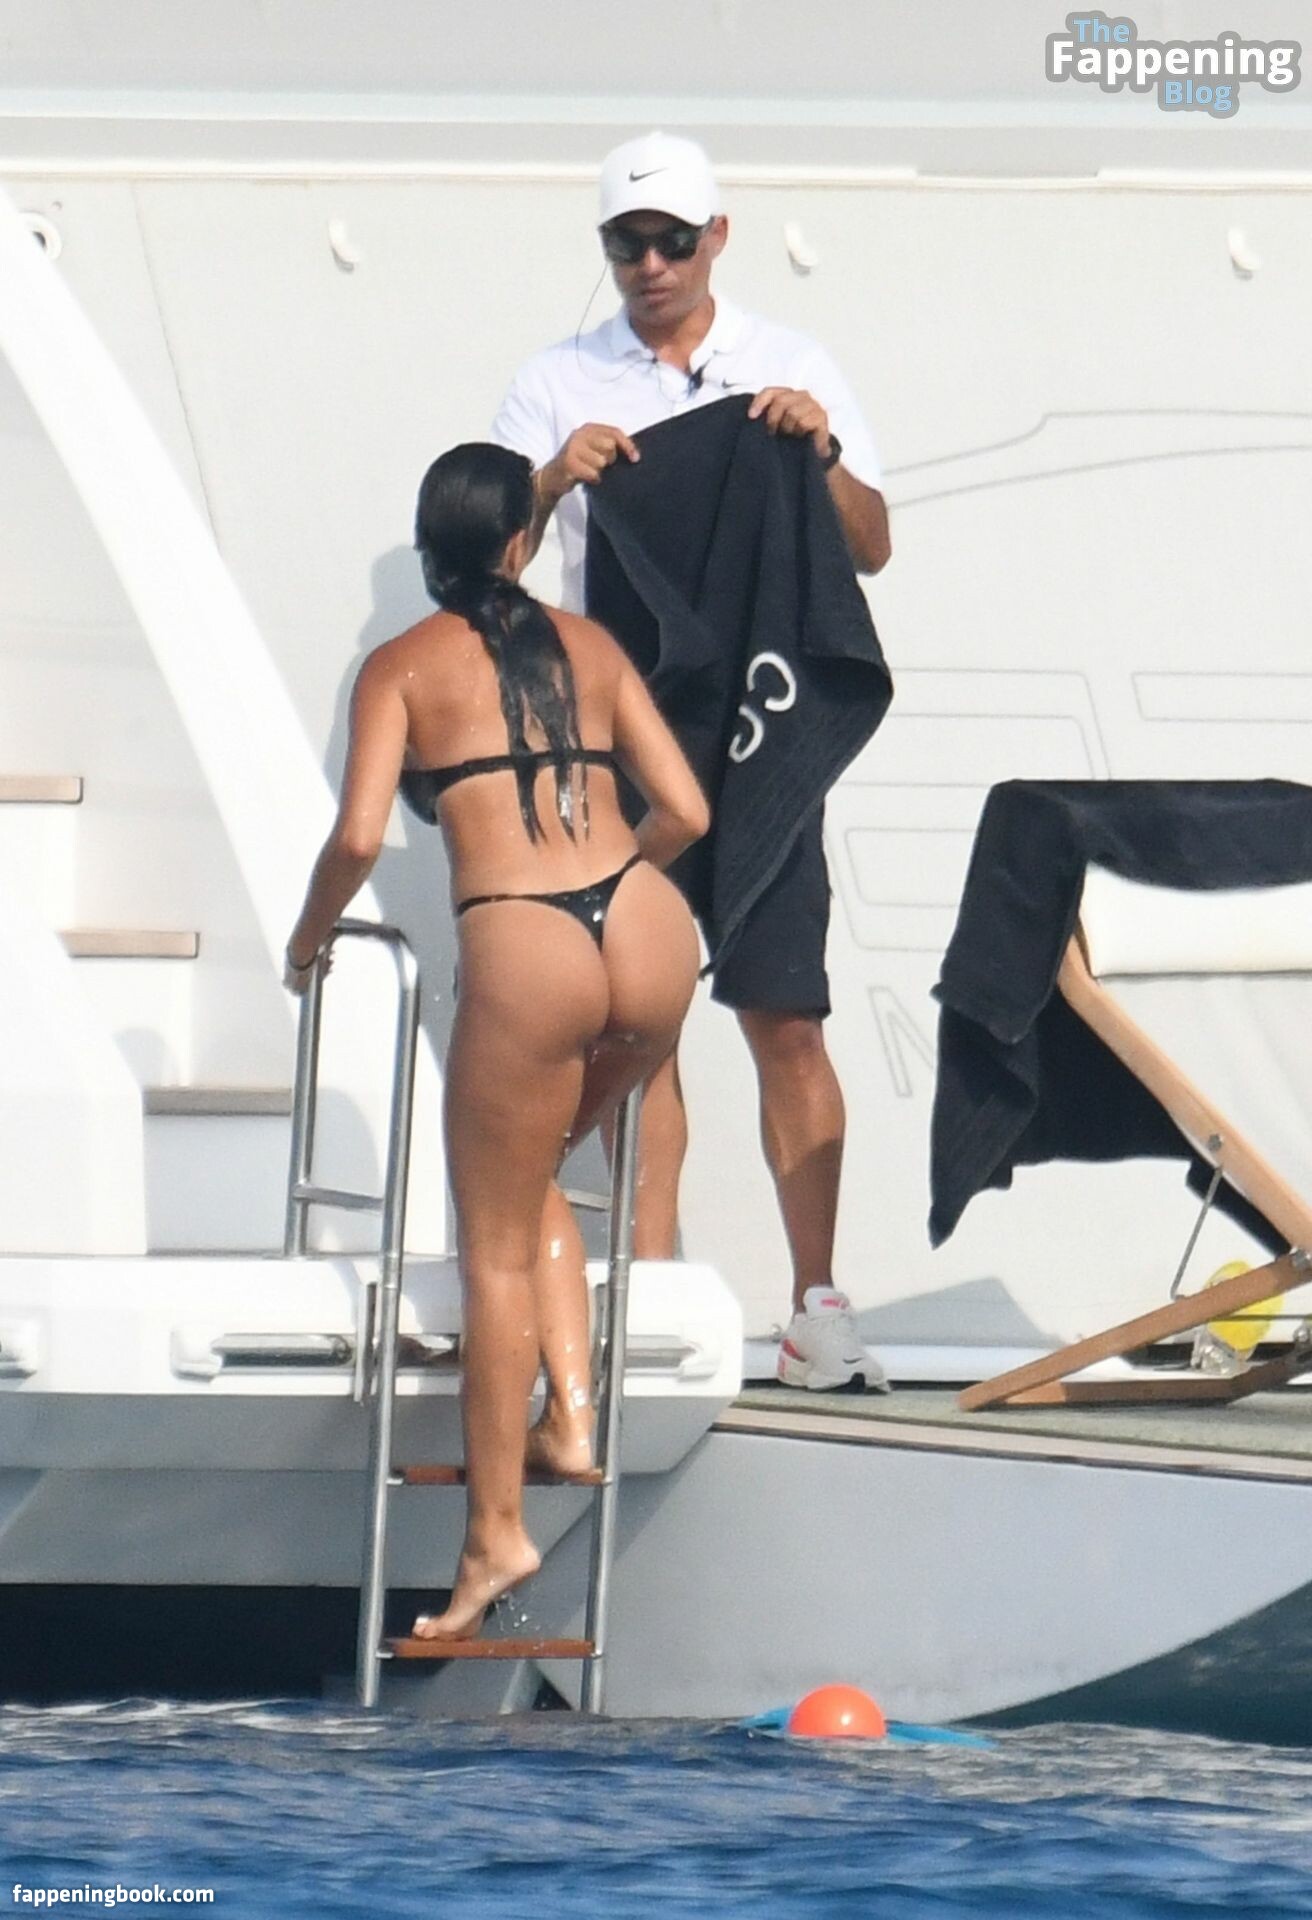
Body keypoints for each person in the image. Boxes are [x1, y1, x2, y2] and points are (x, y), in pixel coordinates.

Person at [491, 131, 892, 1392]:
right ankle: (652, 1295)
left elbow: (871, 547)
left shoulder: (791, 364)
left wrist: (818, 453)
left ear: (718, 237)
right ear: (605, 249)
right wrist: (550, 479)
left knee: (786, 1016)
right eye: (628, 243)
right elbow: (492, 564)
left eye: (672, 239)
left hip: (757, 733)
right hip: (619, 743)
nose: (651, 264)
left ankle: (816, 1303)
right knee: (642, 1022)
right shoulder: (556, 379)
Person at [284, 443, 707, 1638]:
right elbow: (686, 809)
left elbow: (357, 839)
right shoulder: (593, 647)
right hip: (647, 930)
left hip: (528, 947)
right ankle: (570, 1417)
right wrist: (612, 883)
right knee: (535, 1188)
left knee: (494, 1248)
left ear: (432, 547)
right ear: (523, 541)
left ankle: (494, 1533)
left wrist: (308, 940)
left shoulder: (400, 666)